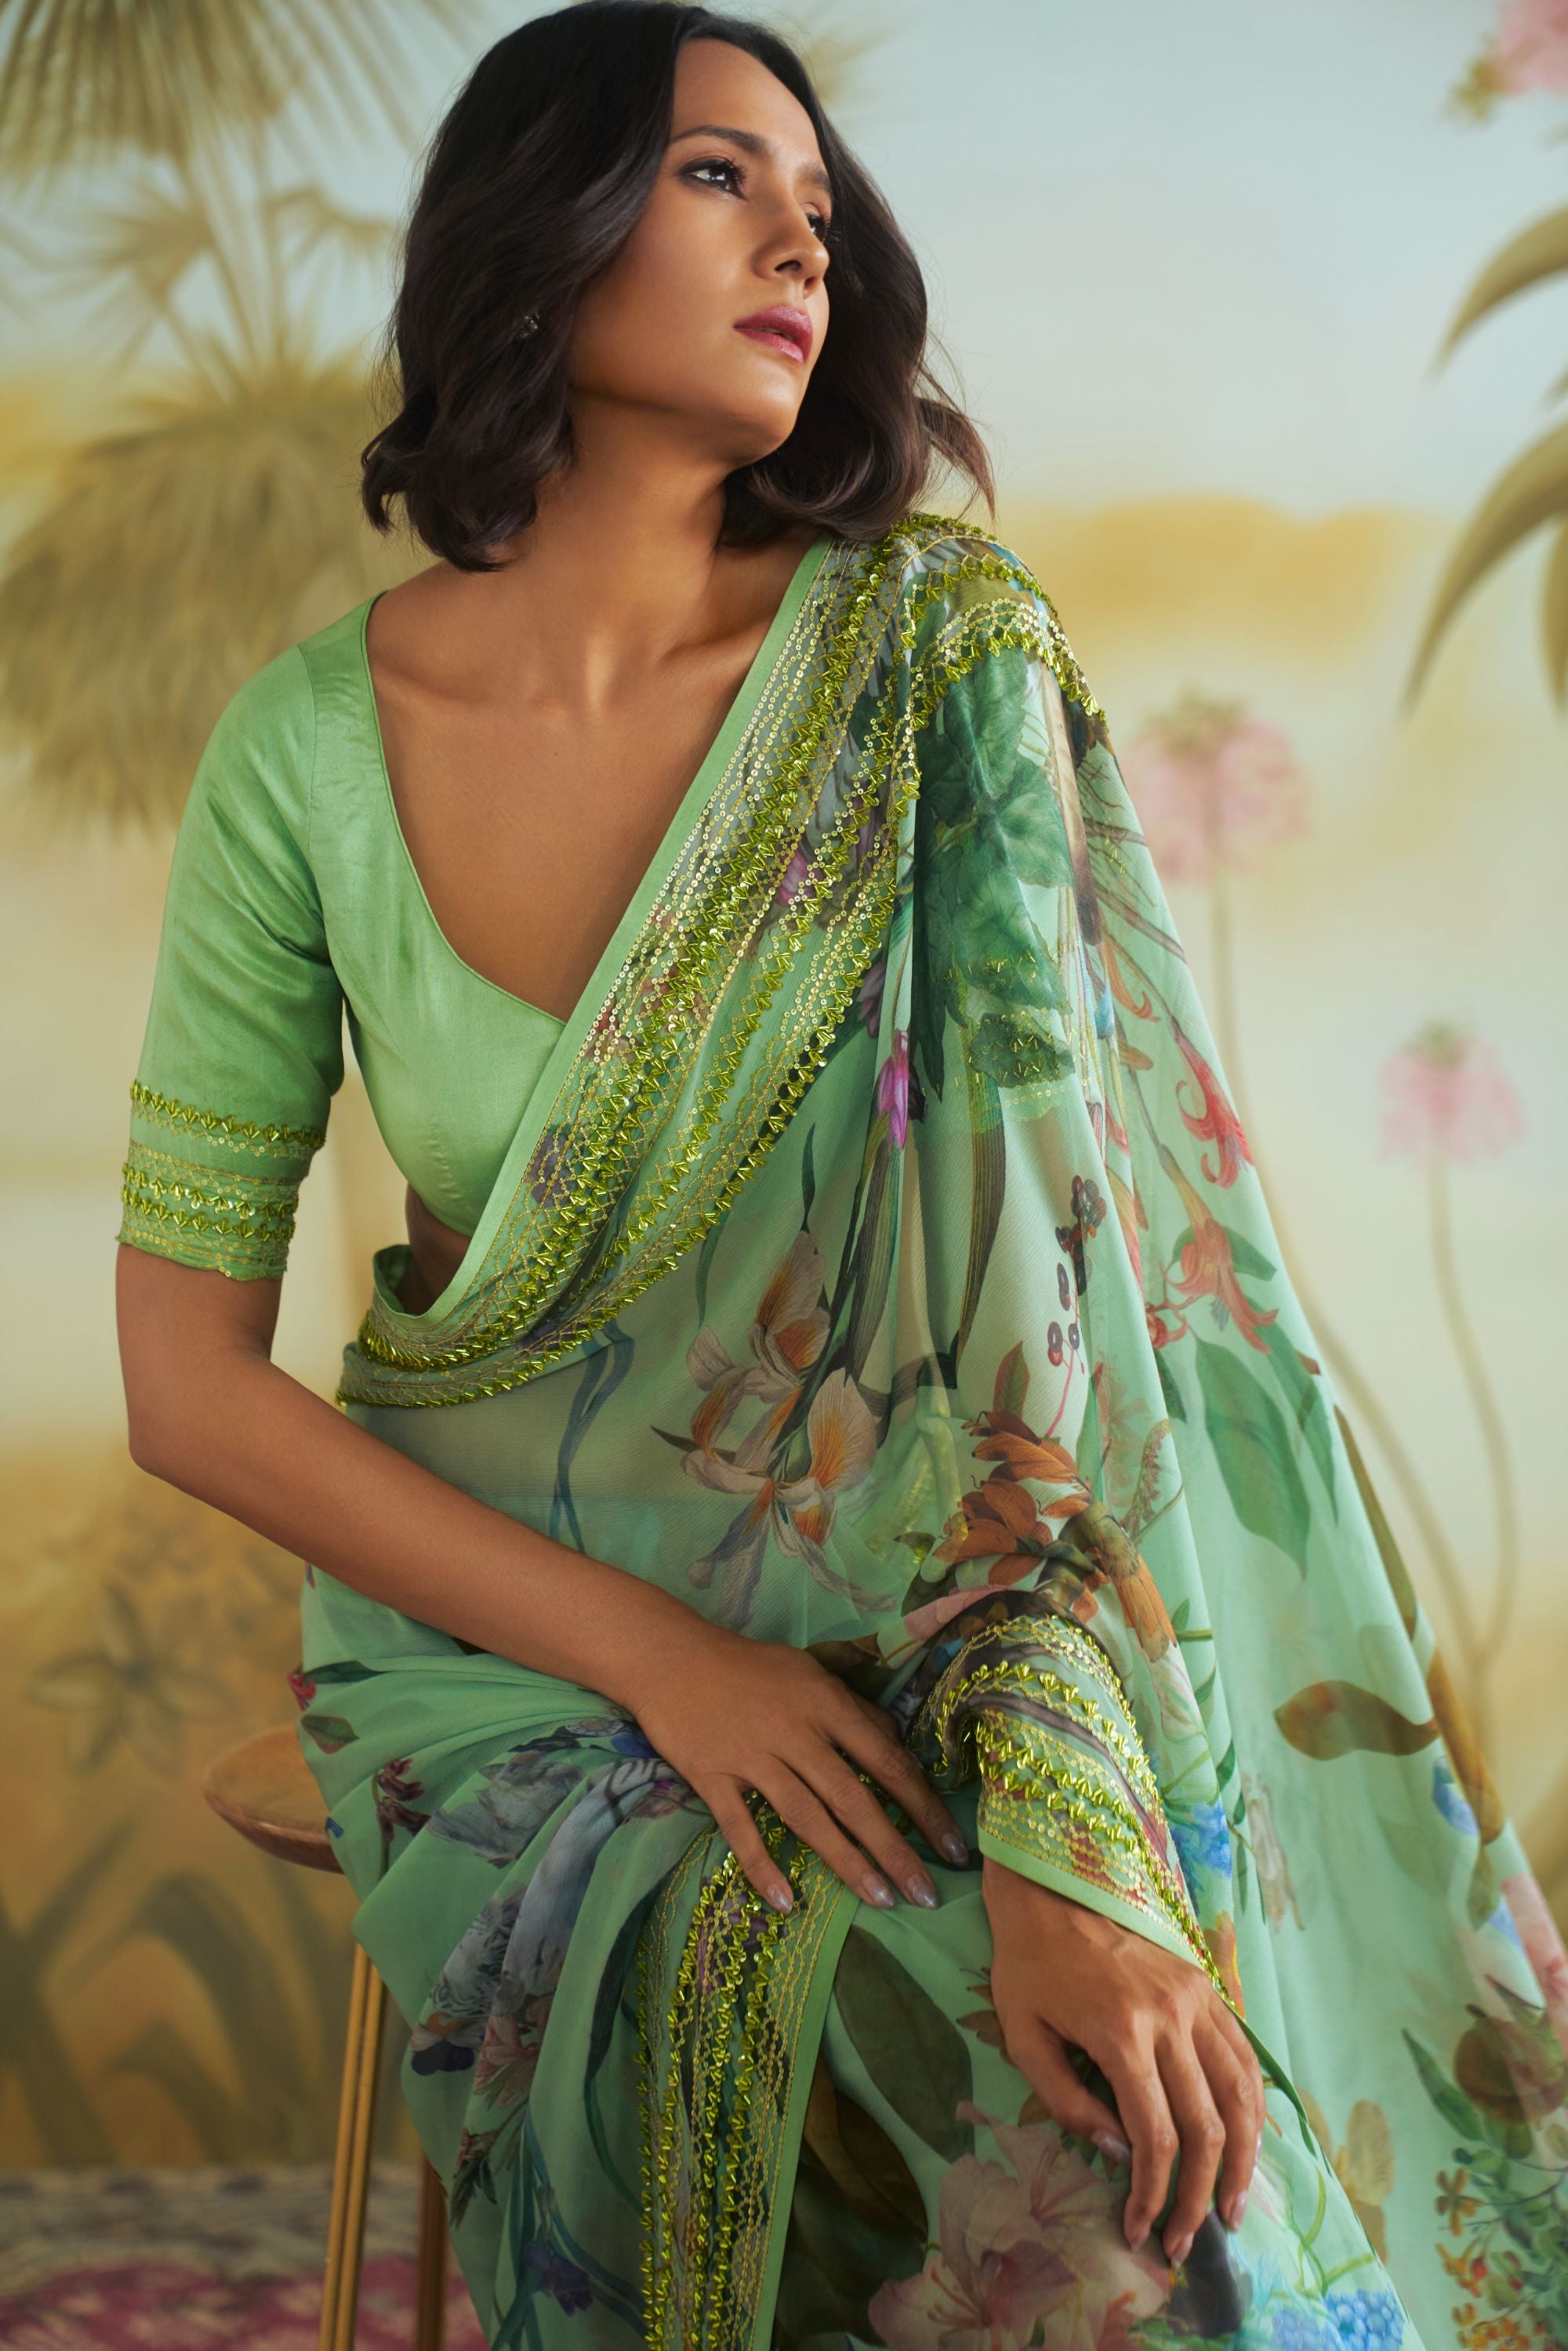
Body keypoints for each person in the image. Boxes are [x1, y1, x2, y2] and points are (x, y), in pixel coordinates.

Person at [114, 7, 1568, 2348]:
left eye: (815, 199)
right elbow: (186, 1384)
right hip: (510, 1646)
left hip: (949, 1629)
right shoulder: (305, 752)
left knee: (1140, 2158)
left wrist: (1068, 1831)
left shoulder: (931, 671)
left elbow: (1047, 1320)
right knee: (944, 2084)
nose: (801, 237)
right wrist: (666, 1663)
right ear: (541, 228)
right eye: (719, 175)